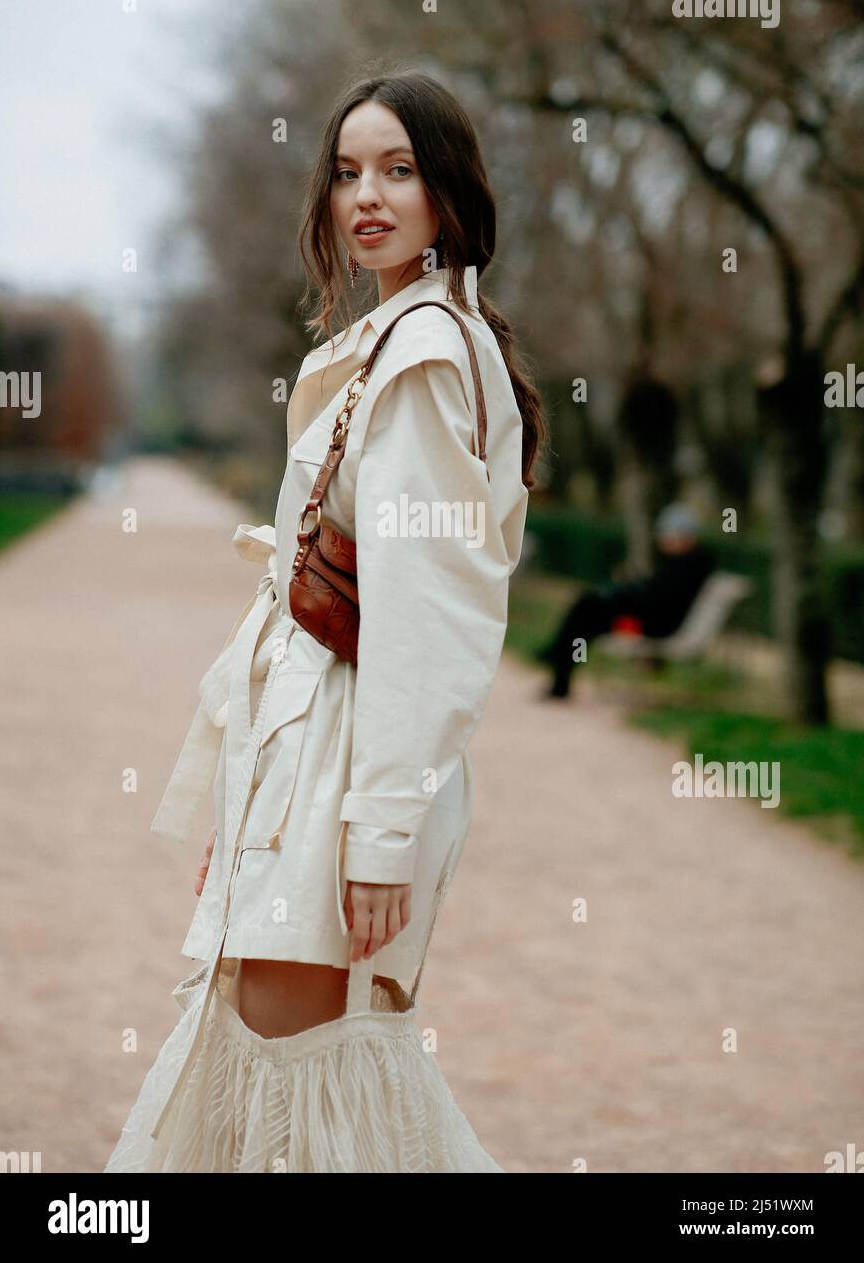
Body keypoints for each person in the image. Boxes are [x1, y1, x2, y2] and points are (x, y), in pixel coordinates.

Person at [103, 70, 546, 1172]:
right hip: (310, 763)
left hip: (353, 765)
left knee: (312, 1064)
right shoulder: (400, 339)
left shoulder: (427, 357)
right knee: (275, 1043)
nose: (367, 196)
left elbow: (429, 619)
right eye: (347, 172)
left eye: (398, 169)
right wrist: (247, 798)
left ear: (448, 189)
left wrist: (381, 834)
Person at [536, 503, 715, 699]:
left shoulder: (689, 564)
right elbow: (658, 593)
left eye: (668, 535)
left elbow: (661, 600)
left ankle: (557, 663)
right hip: (649, 618)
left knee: (588, 609)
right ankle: (559, 671)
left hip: (653, 625)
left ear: (685, 537)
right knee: (588, 612)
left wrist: (628, 591)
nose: (663, 541)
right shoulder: (686, 562)